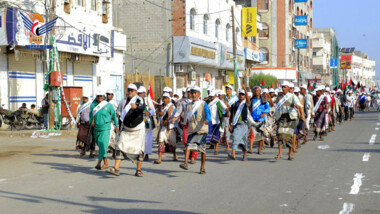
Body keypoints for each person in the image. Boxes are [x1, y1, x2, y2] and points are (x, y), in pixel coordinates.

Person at [107, 84, 146, 177]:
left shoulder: (139, 99)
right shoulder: (123, 101)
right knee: (120, 146)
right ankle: (116, 168)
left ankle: (138, 170)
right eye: (129, 90)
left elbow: (142, 108)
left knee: (139, 149)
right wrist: (117, 126)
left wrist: (136, 107)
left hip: (138, 129)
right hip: (126, 128)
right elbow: (118, 113)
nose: (130, 92)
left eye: (132, 90)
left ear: (136, 92)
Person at [179, 86, 211, 174]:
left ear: (199, 94)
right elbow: (185, 116)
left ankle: (202, 167)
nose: (193, 95)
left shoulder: (203, 104)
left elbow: (208, 113)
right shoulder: (188, 105)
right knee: (188, 146)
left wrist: (207, 120)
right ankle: (185, 163)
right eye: (192, 93)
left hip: (202, 129)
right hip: (192, 129)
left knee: (202, 150)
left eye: (195, 93)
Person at [90, 89, 119, 170]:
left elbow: (114, 115)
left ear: (104, 97)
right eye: (98, 96)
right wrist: (91, 121)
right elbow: (90, 114)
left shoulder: (108, 105)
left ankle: (103, 163)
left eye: (101, 96)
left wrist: (116, 125)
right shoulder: (93, 105)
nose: (99, 97)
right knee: (100, 145)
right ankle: (102, 162)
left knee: (103, 144)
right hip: (96, 128)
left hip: (105, 128)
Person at [274, 81, 302, 161]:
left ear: (288, 88)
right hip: (282, 117)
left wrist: (297, 107)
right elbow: (277, 108)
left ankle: (290, 155)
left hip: (291, 118)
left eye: (284, 87)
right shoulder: (279, 97)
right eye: (282, 87)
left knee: (289, 136)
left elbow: (298, 104)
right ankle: (280, 153)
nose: (283, 88)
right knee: (280, 134)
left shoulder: (292, 96)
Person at [228, 86, 251, 161]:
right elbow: (231, 115)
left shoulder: (245, 104)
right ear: (238, 95)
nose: (241, 96)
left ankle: (244, 155)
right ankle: (233, 154)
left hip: (244, 124)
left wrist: (245, 90)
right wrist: (229, 124)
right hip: (237, 124)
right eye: (240, 94)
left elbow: (248, 100)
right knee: (235, 137)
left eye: (243, 94)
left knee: (244, 140)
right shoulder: (234, 105)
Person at [155, 93, 178, 164]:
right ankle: (159, 158)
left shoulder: (172, 107)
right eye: (163, 98)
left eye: (166, 98)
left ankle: (174, 155)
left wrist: (168, 120)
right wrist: (159, 113)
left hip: (170, 127)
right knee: (161, 141)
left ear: (169, 99)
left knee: (173, 143)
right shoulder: (160, 107)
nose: (164, 100)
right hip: (163, 127)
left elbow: (174, 116)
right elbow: (158, 116)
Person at [249, 86, 270, 155]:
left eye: (257, 91)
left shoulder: (263, 100)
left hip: (261, 119)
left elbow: (268, 108)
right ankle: (251, 148)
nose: (256, 92)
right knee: (252, 134)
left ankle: (259, 149)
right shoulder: (252, 100)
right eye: (255, 91)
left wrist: (264, 113)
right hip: (253, 120)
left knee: (260, 135)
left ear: (260, 92)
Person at [206, 90, 227, 155]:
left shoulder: (219, 101)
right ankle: (204, 148)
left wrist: (222, 113)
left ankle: (216, 149)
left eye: (212, 96)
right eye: (210, 96)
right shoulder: (208, 102)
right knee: (207, 134)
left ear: (215, 95)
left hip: (217, 121)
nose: (211, 98)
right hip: (209, 121)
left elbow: (226, 108)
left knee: (216, 135)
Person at [138, 86, 155, 161]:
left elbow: (153, 110)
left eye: (141, 93)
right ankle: (139, 153)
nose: (140, 94)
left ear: (144, 93)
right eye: (139, 93)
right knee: (139, 136)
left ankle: (147, 153)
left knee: (147, 137)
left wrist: (148, 113)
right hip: (138, 120)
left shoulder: (148, 100)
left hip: (146, 120)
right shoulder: (136, 100)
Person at [222, 85, 238, 151]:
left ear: (231, 90)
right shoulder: (224, 97)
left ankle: (235, 144)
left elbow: (237, 106)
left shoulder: (235, 98)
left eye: (229, 89)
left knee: (234, 130)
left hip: (234, 116)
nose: (228, 91)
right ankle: (227, 145)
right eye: (227, 89)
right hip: (226, 115)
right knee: (226, 131)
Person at [106, 89, 118, 158]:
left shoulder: (113, 103)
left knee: (111, 138)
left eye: (110, 94)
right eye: (107, 94)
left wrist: (116, 125)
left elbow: (115, 114)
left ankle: (114, 152)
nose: (108, 95)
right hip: (105, 122)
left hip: (112, 123)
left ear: (112, 95)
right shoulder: (105, 102)